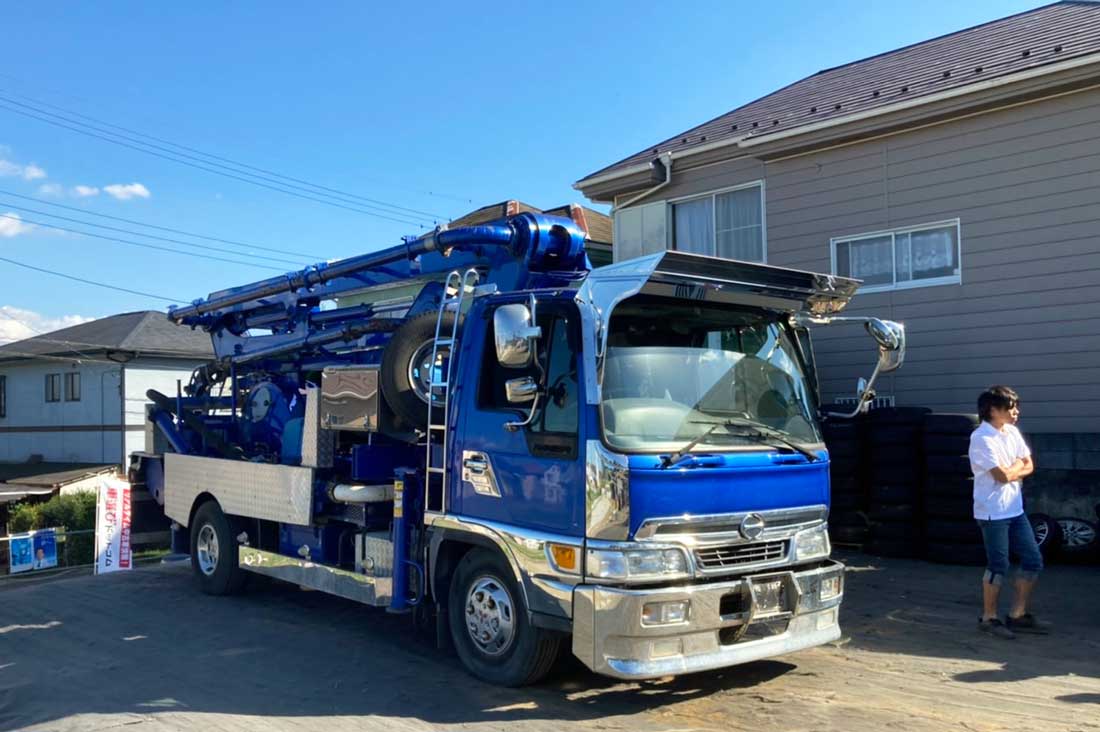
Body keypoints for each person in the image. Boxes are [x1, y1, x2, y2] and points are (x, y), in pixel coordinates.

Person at [969, 385, 1050, 639]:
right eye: (1010, 407)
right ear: (993, 410)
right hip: (992, 513)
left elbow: (1029, 464)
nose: (1016, 412)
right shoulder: (981, 438)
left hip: (1015, 509)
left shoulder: (1012, 432)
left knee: (1033, 559)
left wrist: (1013, 467)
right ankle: (988, 618)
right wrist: (1016, 467)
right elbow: (1001, 476)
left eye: (1016, 407)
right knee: (998, 564)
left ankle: (1017, 614)